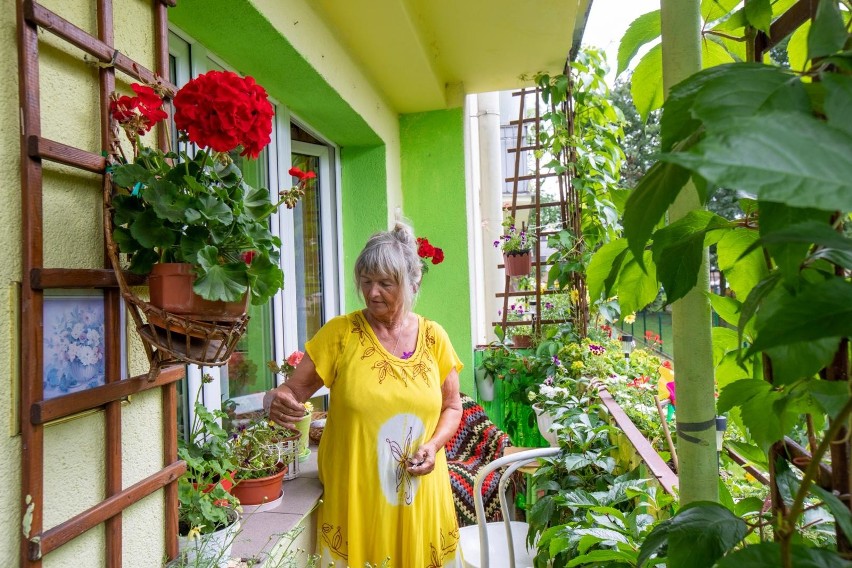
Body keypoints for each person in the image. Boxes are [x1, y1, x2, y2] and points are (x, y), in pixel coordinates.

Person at [263, 222, 464, 566]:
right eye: (366, 282)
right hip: (357, 499)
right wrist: (274, 400)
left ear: (412, 283)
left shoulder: (434, 338)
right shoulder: (340, 335)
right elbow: (290, 392)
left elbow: (452, 406)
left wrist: (432, 446)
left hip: (420, 497)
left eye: (385, 283)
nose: (373, 293)